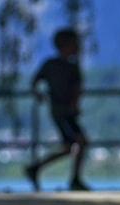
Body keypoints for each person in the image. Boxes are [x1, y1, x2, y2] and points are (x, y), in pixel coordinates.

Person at [25, 27, 89, 191]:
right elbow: (34, 81)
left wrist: (75, 103)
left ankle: (37, 167)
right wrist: (37, 94)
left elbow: (77, 88)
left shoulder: (72, 66)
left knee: (70, 145)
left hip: (68, 112)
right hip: (61, 112)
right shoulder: (51, 65)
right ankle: (74, 179)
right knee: (79, 141)